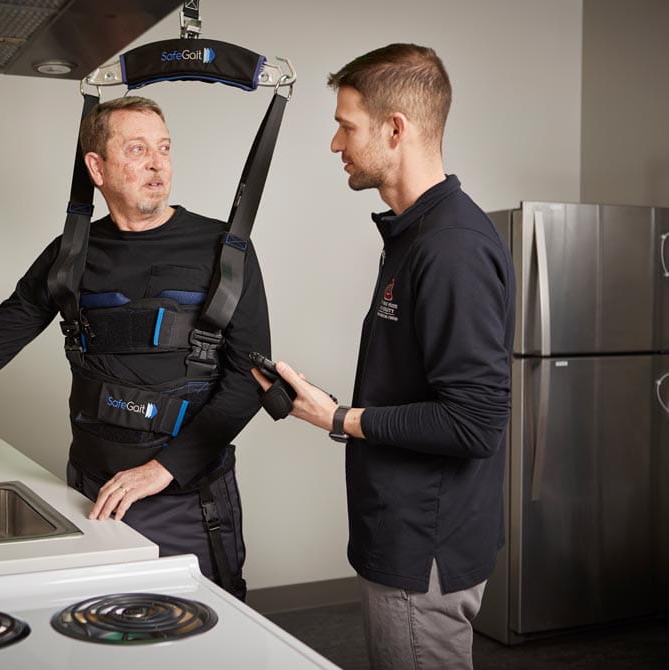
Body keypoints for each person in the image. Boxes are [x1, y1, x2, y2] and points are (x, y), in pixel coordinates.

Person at [0, 96, 270, 599]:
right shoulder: (69, 257)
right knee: (102, 634)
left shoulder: (224, 252)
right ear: (96, 168)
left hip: (187, 501)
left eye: (164, 148)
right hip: (89, 493)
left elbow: (249, 381)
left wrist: (162, 470)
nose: (157, 164)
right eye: (137, 149)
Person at [253, 44, 514, 668]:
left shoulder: (450, 247)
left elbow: (475, 423)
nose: (335, 144)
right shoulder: (414, 234)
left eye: (346, 126)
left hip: (422, 547)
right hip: (402, 535)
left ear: (395, 129)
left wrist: (340, 418)